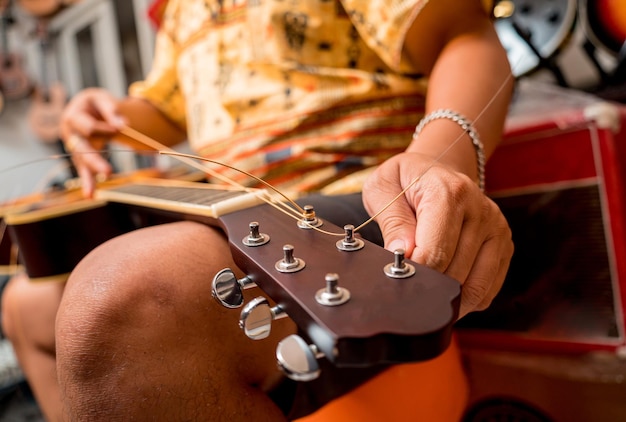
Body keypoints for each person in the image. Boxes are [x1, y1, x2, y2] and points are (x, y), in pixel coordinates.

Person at [3, 0, 515, 420]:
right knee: (25, 307)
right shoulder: (179, 12)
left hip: (354, 199)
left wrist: (435, 158)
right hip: (234, 207)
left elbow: (463, 34)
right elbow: (167, 110)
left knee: (124, 302)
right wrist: (104, 116)